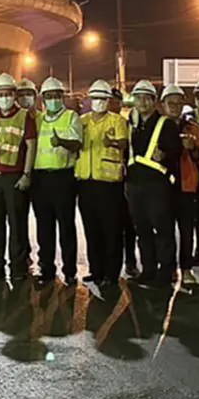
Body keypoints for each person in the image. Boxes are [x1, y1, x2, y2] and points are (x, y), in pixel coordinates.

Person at [126, 78, 182, 287]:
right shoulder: (132, 124)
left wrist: (164, 155)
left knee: (163, 229)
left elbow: (176, 151)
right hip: (135, 185)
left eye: (146, 98)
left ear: (153, 101)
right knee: (142, 229)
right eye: (138, 98)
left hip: (157, 185)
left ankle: (166, 271)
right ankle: (148, 269)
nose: (142, 102)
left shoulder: (165, 123)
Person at [0, 73, 37, 282]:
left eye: (8, 94)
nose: (4, 98)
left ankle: (18, 268)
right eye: (0, 94)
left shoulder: (25, 116)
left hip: (14, 177)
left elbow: (30, 146)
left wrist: (26, 174)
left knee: (17, 224)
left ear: (14, 95)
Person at [76, 79, 129, 286]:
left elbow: (124, 143)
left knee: (112, 231)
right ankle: (95, 270)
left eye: (102, 99)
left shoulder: (117, 121)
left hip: (109, 184)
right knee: (92, 230)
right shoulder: (83, 121)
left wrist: (113, 143)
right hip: (86, 183)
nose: (98, 102)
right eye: (95, 98)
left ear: (108, 100)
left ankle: (111, 273)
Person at [33, 76, 82, 284]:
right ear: (43, 99)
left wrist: (61, 141)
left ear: (62, 97)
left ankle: (69, 270)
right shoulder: (38, 119)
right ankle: (46, 268)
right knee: (44, 227)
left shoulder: (72, 117)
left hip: (63, 178)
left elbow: (77, 144)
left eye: (56, 96)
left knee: (66, 226)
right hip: (41, 179)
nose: (53, 100)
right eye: (49, 96)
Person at [161, 83, 199, 285]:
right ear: (162, 104)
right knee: (165, 231)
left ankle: (186, 269)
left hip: (187, 186)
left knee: (187, 230)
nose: (174, 107)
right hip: (162, 187)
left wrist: (192, 148)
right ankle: (169, 268)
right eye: (170, 103)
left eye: (178, 103)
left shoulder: (193, 128)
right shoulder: (158, 126)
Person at [112, 87, 141, 277]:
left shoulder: (128, 123)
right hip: (107, 182)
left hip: (127, 179)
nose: (112, 104)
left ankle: (130, 262)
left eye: (115, 101)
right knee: (111, 226)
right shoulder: (90, 122)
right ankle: (110, 265)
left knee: (130, 225)